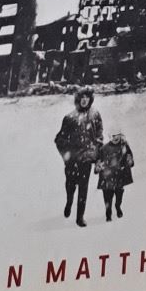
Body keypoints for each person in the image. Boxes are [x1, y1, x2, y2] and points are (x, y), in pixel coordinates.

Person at [54, 88, 103, 227]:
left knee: (83, 187)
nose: (84, 100)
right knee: (71, 185)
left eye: (87, 97)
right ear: (78, 99)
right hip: (72, 160)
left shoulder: (95, 115)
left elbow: (99, 136)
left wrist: (97, 155)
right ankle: (69, 202)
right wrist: (67, 156)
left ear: (90, 99)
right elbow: (59, 140)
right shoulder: (70, 118)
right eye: (82, 97)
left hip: (86, 158)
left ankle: (80, 217)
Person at [95, 131, 135, 221]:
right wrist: (98, 167)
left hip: (119, 175)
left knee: (119, 194)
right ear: (110, 136)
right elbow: (98, 161)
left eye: (117, 135)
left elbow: (130, 157)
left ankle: (117, 206)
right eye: (113, 136)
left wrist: (130, 161)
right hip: (107, 177)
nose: (115, 138)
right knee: (107, 197)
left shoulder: (124, 146)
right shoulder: (104, 148)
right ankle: (108, 213)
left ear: (120, 135)